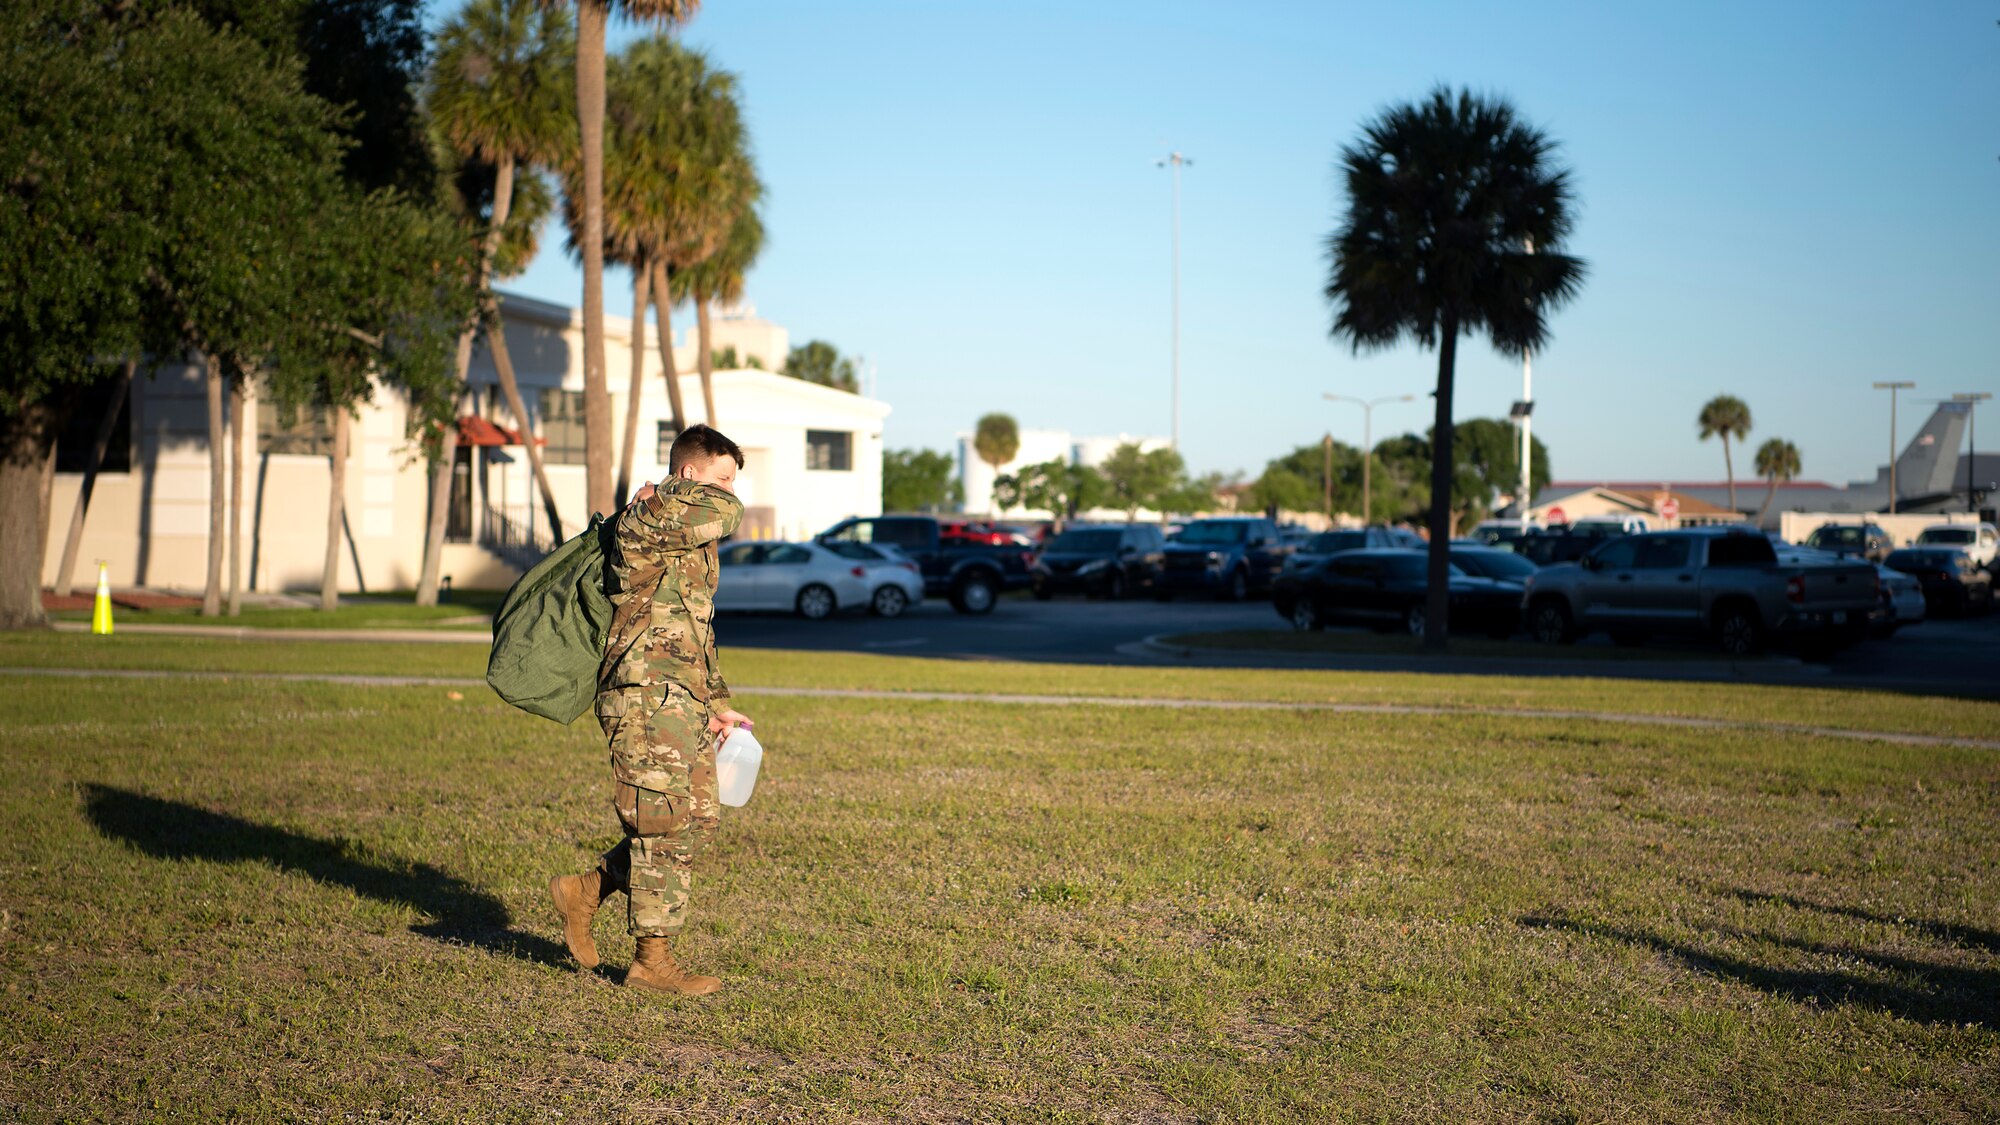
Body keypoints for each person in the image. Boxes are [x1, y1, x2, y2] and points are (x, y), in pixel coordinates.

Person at [548, 424, 753, 995]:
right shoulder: (649, 517)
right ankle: (650, 962)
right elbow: (727, 513)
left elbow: (695, 626)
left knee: (695, 819)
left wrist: (716, 704)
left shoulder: (688, 530)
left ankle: (586, 890)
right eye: (722, 477)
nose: (732, 492)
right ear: (688, 474)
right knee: (660, 822)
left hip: (680, 696)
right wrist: (693, 494)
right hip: (642, 692)